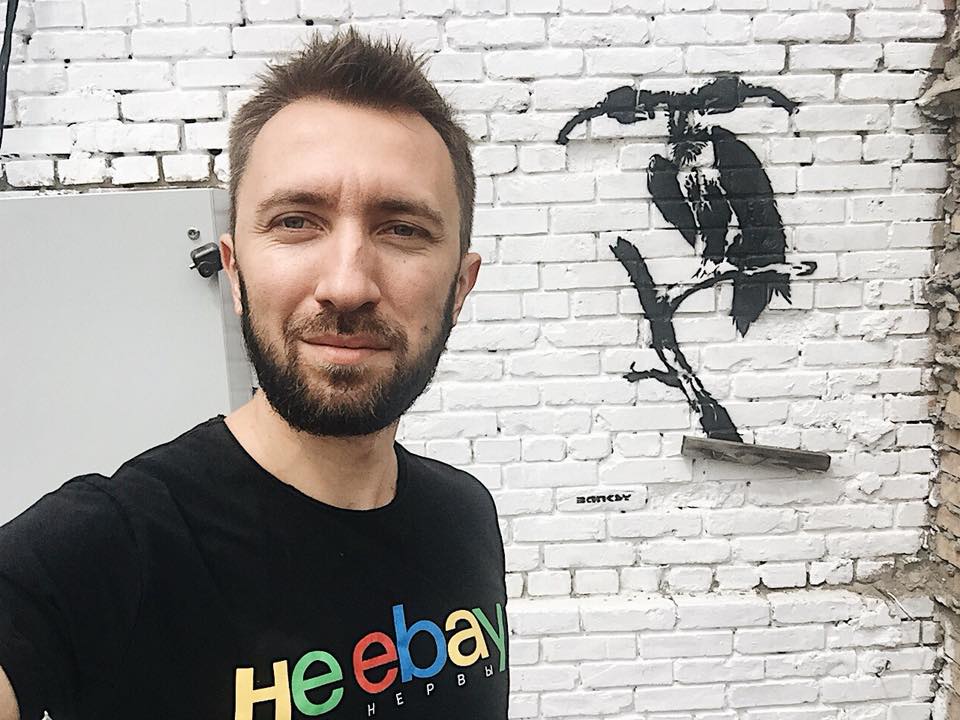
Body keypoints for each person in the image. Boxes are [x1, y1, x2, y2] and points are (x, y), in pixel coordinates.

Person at [0, 28, 509, 720]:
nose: (346, 285)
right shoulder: (110, 549)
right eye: (297, 221)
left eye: (402, 229)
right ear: (235, 273)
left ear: (460, 286)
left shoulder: (465, 516)